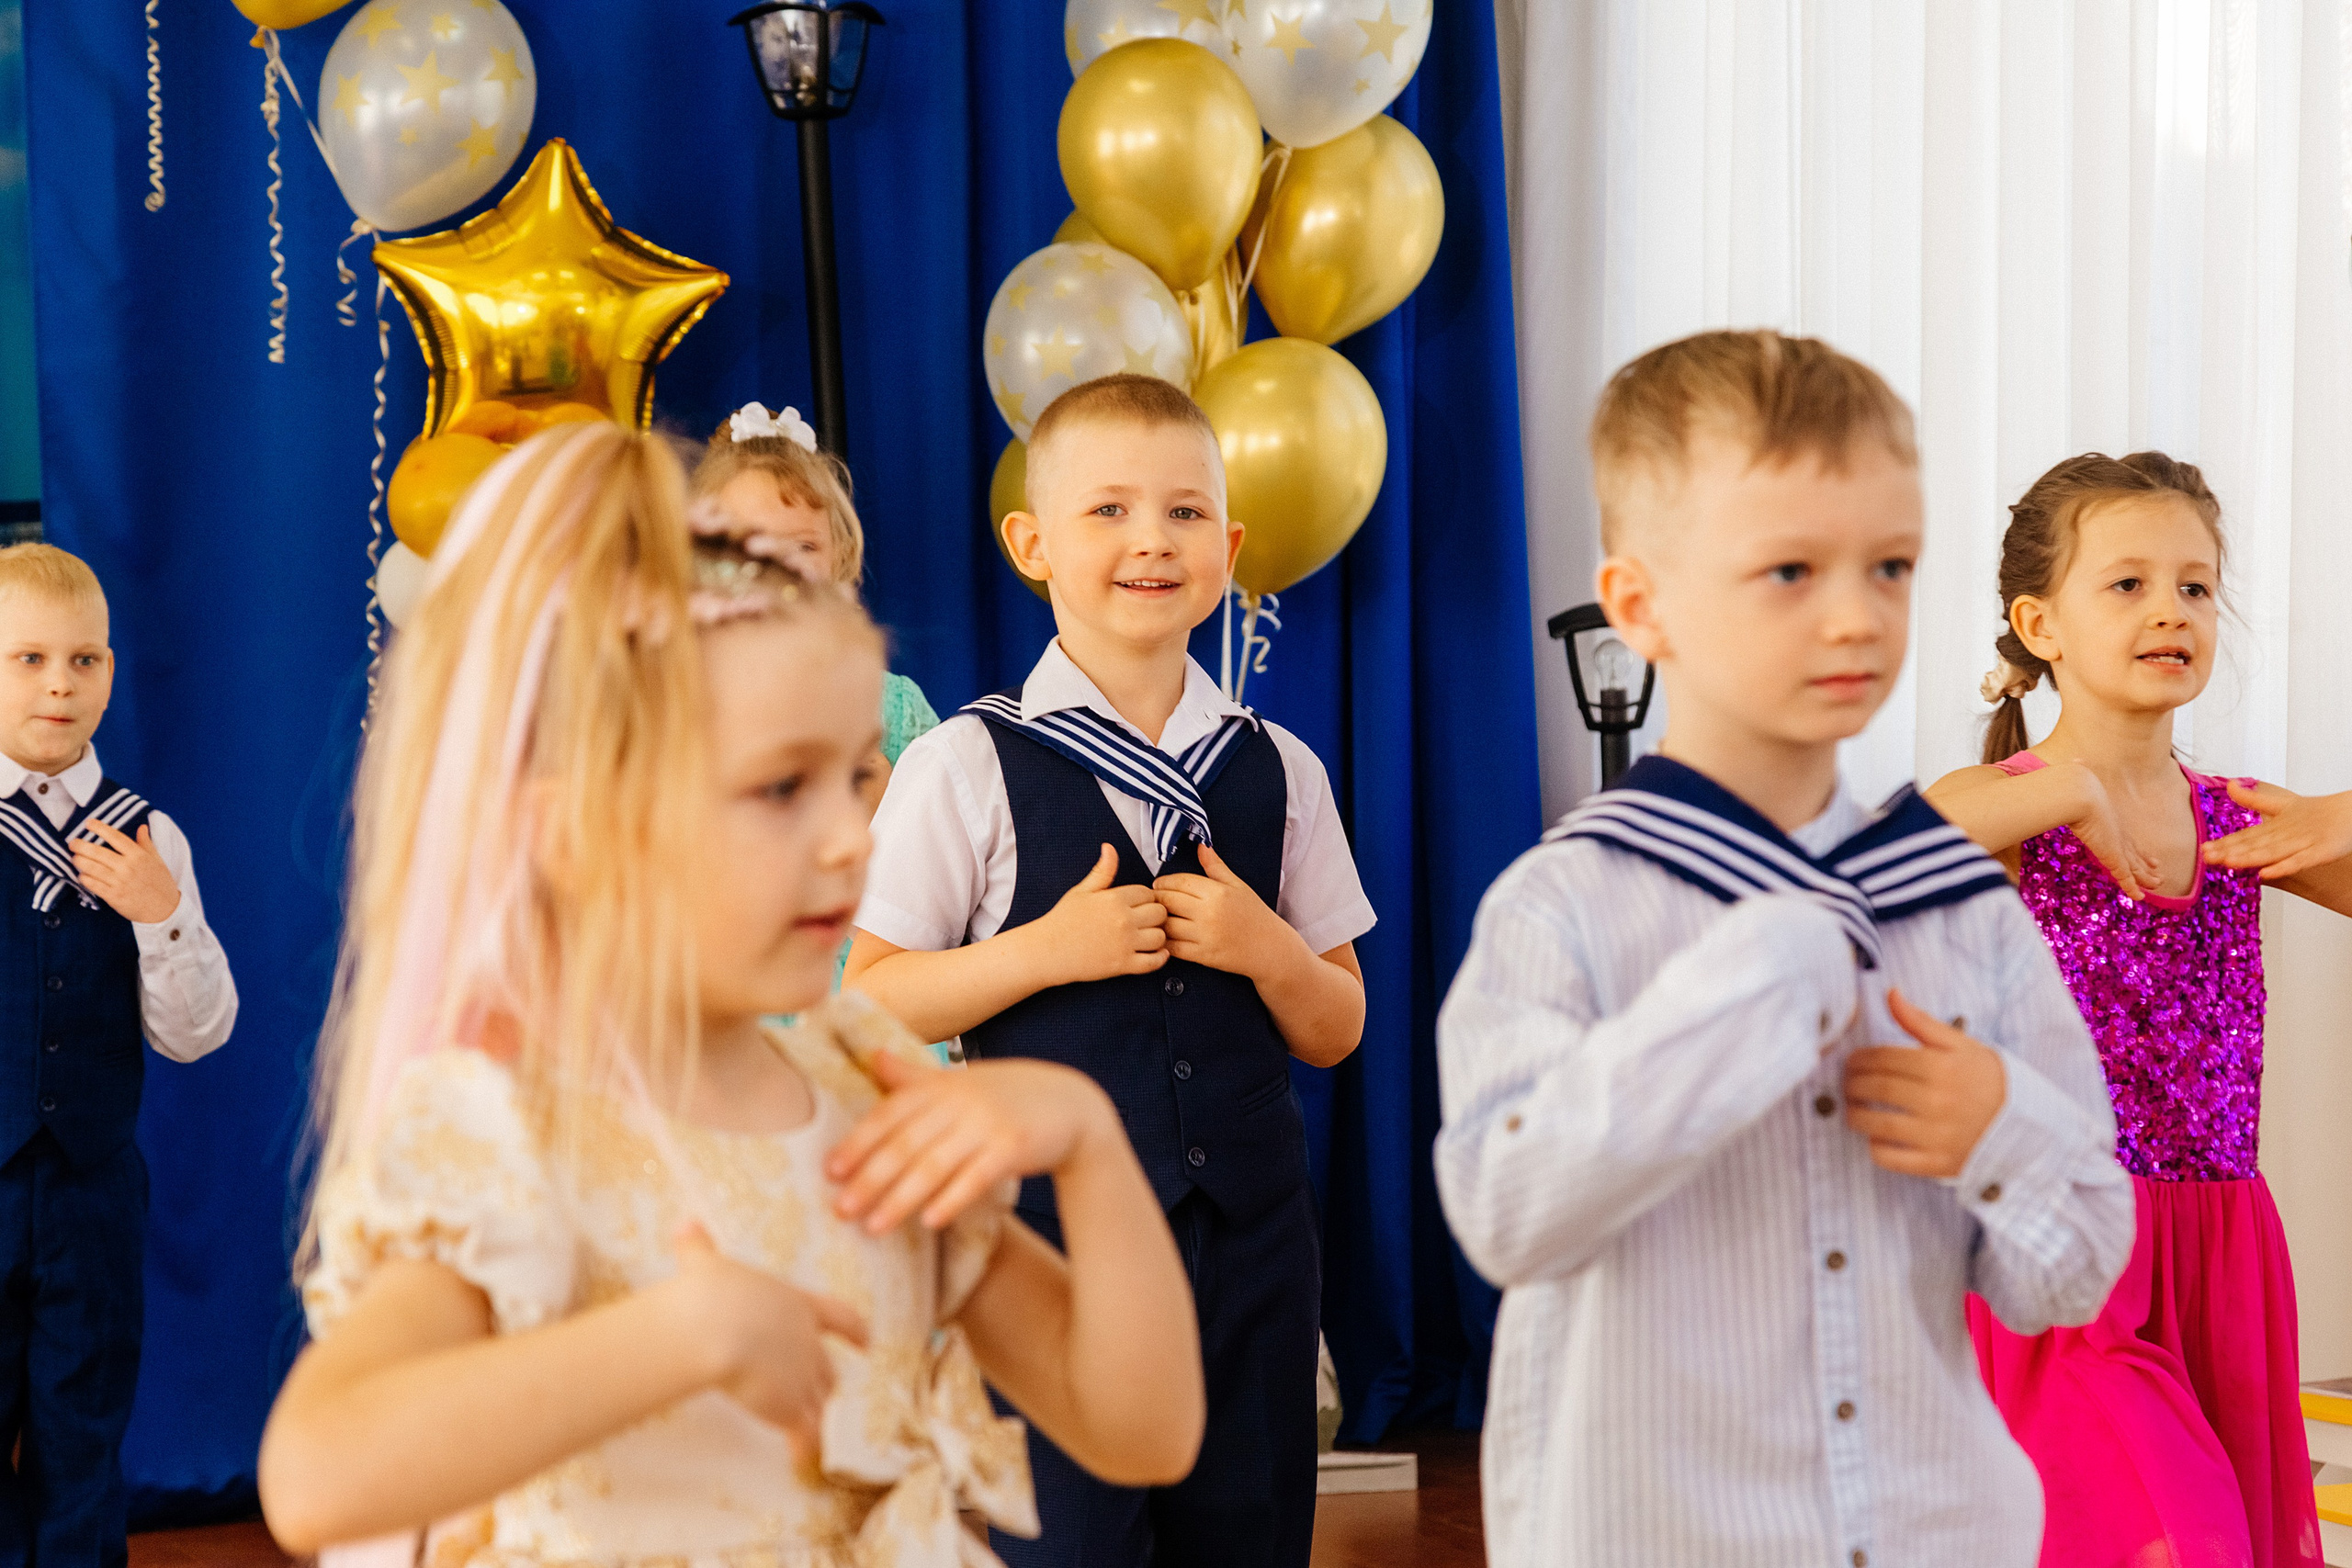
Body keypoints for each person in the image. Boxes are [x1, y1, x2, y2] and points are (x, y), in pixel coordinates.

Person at [254, 423, 1204, 1567]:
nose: (852, 839)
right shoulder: (508, 1126)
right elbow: (318, 1476)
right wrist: (681, 1335)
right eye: (778, 789)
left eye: (858, 778)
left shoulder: (865, 1089)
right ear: (576, 832)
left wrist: (1088, 1140)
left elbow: (1143, 1430)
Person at [1434, 330, 2133, 1568]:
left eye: (1893, 565)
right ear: (1640, 606)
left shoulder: (1957, 910)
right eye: (1791, 570)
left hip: (1939, 1528)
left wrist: (2001, 1126)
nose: (1858, 615)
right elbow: (1507, 1211)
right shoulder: (1563, 907)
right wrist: (1760, 975)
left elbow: (2069, 1278)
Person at [844, 373, 1374, 1568]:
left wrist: (1266, 948)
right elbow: (866, 995)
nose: (1152, 539)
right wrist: (1040, 952)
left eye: (1187, 513)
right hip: (1053, 1256)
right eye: (1110, 511)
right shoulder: (967, 762)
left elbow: (1337, 1022)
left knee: (1252, 1530)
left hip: (1255, 1250)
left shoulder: (1279, 766)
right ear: (1031, 543)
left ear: (1231, 547)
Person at [1924, 452, 2352, 1568]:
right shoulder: (2014, 815)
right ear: (2039, 623)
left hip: (2219, 1252)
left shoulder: (2238, 820)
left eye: (2196, 587)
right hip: (2066, 1251)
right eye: (2126, 585)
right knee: (2175, 1536)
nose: (2171, 610)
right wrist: (2063, 787)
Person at [0, 542, 239, 1565]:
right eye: (28, 659)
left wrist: (161, 915)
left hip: (93, 1199)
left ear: (111, 670)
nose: (61, 682)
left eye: (86, 660)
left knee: (80, 1444)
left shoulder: (153, 840)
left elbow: (196, 1035)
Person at [694, 400, 937, 803]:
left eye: (805, 546)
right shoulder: (685, 703)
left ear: (839, 557)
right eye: (753, 544)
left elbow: (950, 842)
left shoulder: (895, 708)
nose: (784, 566)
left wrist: (890, 807)